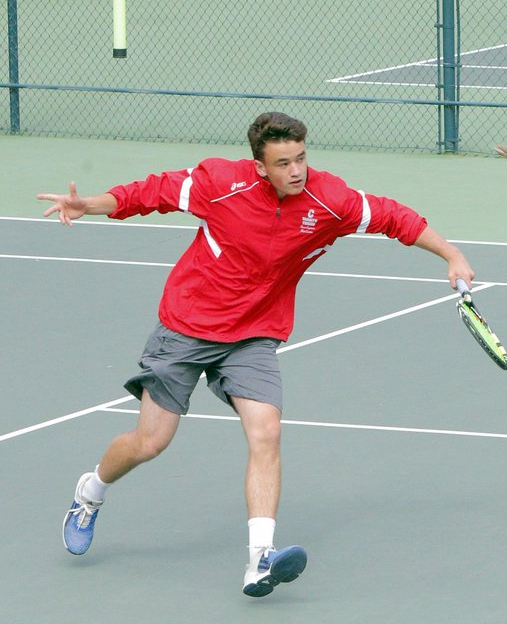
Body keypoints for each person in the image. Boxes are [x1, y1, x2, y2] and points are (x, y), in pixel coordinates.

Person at [38, 112, 475, 596]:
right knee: (150, 442)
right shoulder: (219, 183)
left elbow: (396, 218)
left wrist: (451, 255)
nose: (296, 171)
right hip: (186, 326)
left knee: (266, 432)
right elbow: (149, 193)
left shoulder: (330, 200)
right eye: (283, 163)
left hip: (253, 335)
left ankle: (259, 559)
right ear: (260, 167)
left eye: (301, 158)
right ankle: (90, 492)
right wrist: (91, 204)